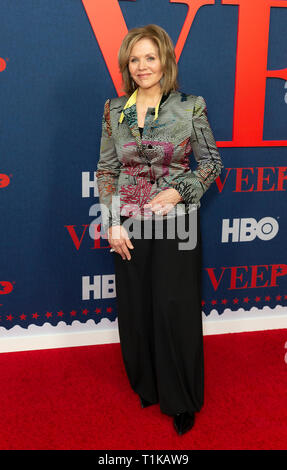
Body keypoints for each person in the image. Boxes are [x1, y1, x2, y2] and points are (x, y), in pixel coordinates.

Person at [96, 24, 223, 435]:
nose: (142, 66)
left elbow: (210, 164)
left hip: (176, 223)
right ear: (126, 65)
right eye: (135, 59)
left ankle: (182, 398)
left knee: (174, 308)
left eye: (150, 57)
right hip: (129, 221)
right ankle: (147, 385)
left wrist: (178, 192)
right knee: (136, 307)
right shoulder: (115, 109)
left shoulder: (189, 106)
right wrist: (112, 223)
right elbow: (107, 169)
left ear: (165, 60)